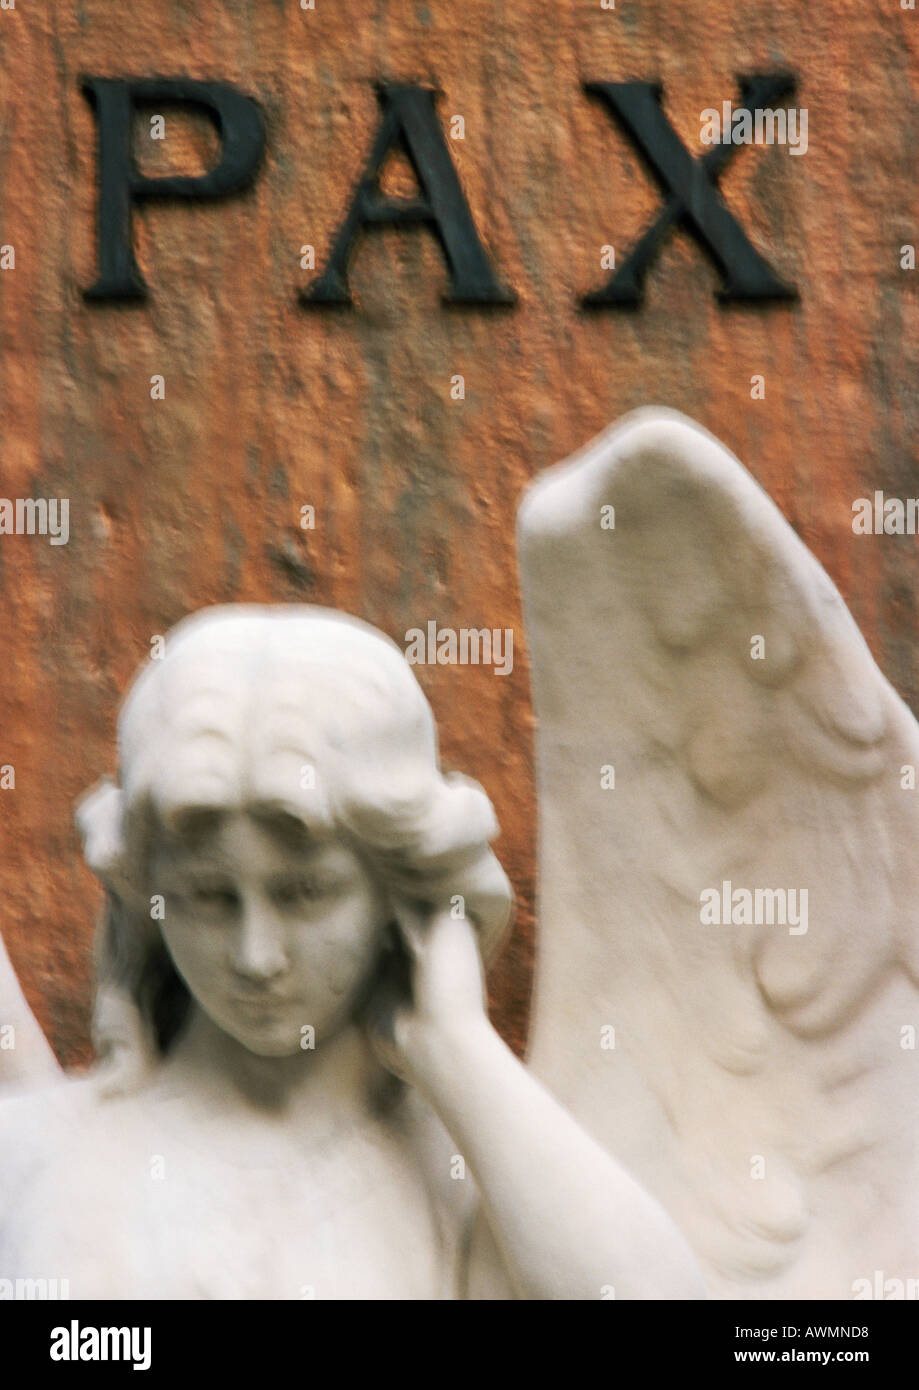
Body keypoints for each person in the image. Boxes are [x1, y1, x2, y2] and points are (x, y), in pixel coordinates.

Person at [0, 605, 705, 1299]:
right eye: (207, 897)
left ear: (398, 891)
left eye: (305, 894)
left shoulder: (477, 1180)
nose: (256, 957)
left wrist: (456, 1047)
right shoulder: (37, 1155)